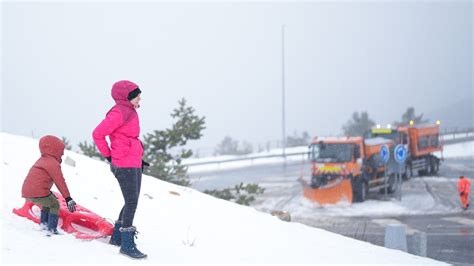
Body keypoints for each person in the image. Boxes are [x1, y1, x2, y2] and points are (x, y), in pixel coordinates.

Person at [92, 80, 148, 259]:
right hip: (124, 164)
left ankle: (117, 236)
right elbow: (98, 134)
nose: (140, 97)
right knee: (131, 202)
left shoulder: (129, 111)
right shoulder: (119, 112)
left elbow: (126, 138)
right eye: (136, 95)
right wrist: (109, 156)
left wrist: (138, 158)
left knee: (132, 199)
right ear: (127, 97)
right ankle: (126, 243)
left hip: (133, 162)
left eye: (139, 94)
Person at [21, 135, 77, 235]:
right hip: (37, 191)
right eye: (61, 151)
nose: (62, 154)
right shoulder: (52, 163)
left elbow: (38, 180)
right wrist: (68, 198)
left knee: (46, 204)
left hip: (28, 191)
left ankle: (44, 225)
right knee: (54, 204)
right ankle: (51, 229)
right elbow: (60, 182)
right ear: (55, 150)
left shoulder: (42, 160)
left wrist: (48, 192)